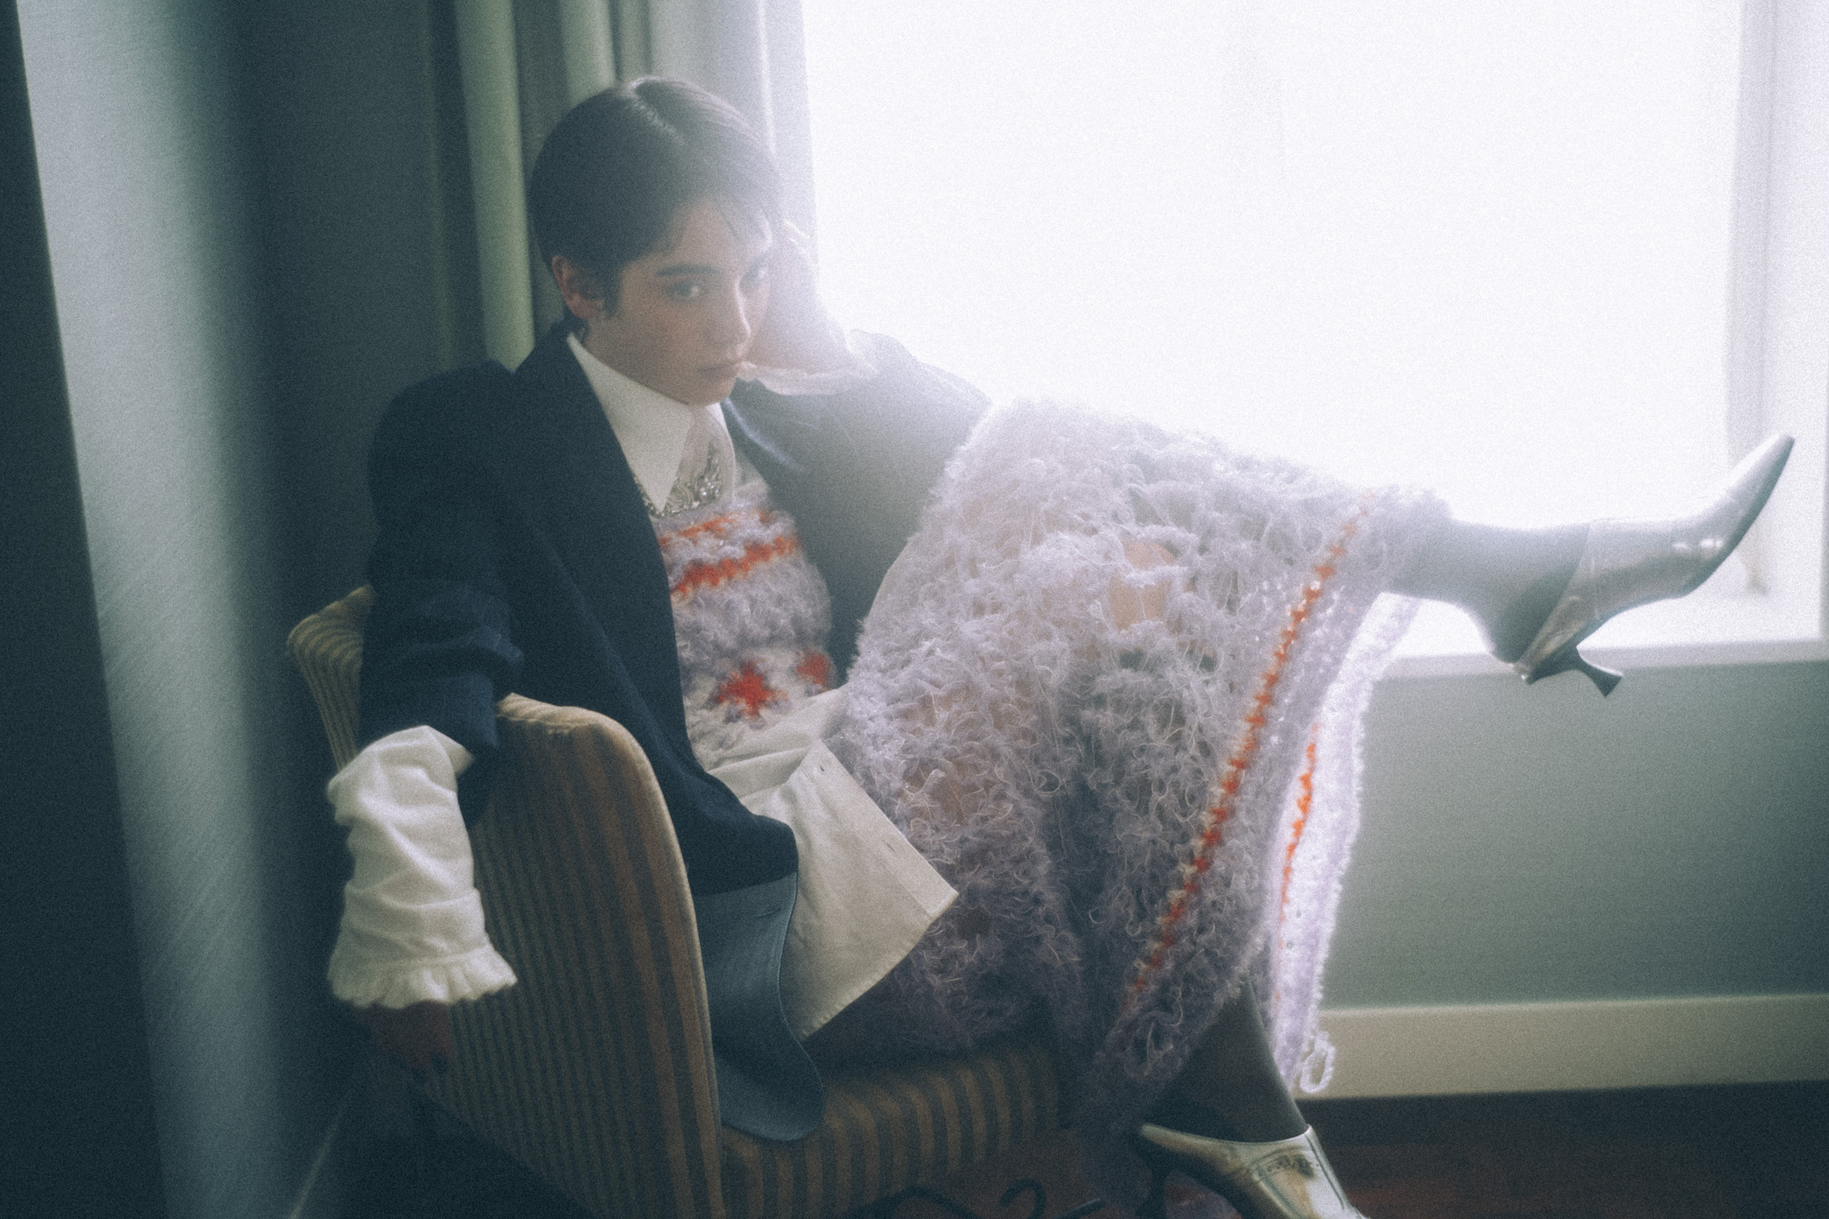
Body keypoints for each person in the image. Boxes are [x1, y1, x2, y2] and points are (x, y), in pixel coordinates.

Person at [325, 76, 1792, 1219]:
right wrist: (408, 911)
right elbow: (431, 644)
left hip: (907, 830)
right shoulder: (482, 434)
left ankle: (1247, 1125)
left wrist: (819, 338)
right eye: (686, 284)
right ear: (578, 284)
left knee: (1114, 601)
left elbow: (993, 459)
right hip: (771, 894)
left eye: (754, 272)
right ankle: (1500, 580)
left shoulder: (767, 407)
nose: (733, 321)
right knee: (1065, 511)